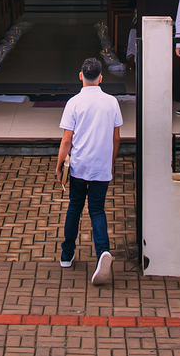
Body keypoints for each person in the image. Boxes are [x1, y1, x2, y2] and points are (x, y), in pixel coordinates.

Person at [56, 57, 123, 286]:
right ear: (101, 78)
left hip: (79, 165)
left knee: (75, 206)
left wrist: (59, 165)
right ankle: (102, 251)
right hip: (101, 167)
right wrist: (110, 161)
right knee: (97, 210)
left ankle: (67, 254)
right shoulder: (111, 102)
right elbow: (116, 138)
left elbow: (67, 140)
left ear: (81, 75)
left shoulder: (74, 103)